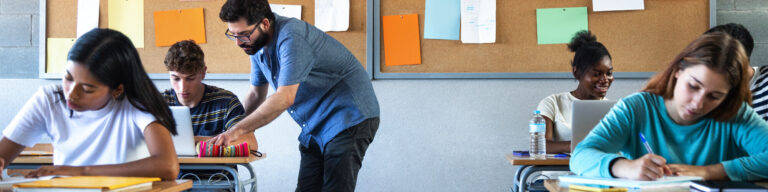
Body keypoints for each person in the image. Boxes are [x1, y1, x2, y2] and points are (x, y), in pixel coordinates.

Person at [212, 0, 380, 191]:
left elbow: (284, 97)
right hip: (315, 124)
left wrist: (237, 130)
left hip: (348, 116)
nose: (238, 43)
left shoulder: (292, 38)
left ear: (265, 23)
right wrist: (228, 128)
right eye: (232, 35)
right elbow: (256, 93)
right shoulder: (255, 45)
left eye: (243, 34)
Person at [570, 32, 768, 181]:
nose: (698, 103)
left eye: (715, 96)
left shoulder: (734, 113)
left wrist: (710, 171)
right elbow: (580, 156)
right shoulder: (636, 108)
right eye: (693, 86)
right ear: (677, 71)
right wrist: (624, 167)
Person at [0, 28, 179, 180]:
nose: (71, 94)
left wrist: (81, 171)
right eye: (68, 79)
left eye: (87, 89)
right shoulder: (49, 99)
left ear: (117, 89)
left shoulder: (136, 104)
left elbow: (168, 166)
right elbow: (3, 155)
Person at [536, 30, 613, 154]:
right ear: (577, 72)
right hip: (558, 172)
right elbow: (541, 146)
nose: (605, 80)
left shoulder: (613, 109)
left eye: (609, 73)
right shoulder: (553, 103)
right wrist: (580, 145)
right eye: (596, 74)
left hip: (595, 171)